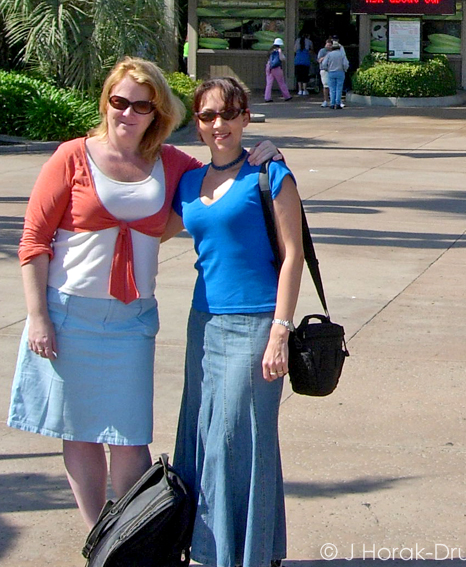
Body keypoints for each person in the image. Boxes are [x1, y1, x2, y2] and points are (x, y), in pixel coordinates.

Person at [7, 57, 279, 532]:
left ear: (157, 113)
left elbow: (223, 175)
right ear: (105, 102)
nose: (128, 113)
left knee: (130, 437)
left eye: (141, 105)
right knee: (81, 434)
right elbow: (33, 241)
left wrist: (267, 154)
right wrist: (38, 317)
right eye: (120, 102)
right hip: (69, 314)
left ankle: (131, 539)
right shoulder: (72, 157)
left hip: (132, 320)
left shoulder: (170, 164)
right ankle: (100, 543)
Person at [166, 76, 304, 567]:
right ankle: (218, 549)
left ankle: (243, 555)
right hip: (203, 325)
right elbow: (150, 227)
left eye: (228, 114)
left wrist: (279, 332)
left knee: (237, 439)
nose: (218, 124)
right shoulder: (188, 181)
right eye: (207, 116)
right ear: (197, 125)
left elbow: (293, 257)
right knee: (203, 438)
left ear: (246, 117)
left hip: (255, 325)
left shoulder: (270, 175)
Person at [320, 41, 349, 109]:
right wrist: (345, 69)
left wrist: (327, 69)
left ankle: (332, 104)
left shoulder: (329, 54)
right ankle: (338, 103)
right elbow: (346, 64)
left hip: (331, 72)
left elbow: (324, 64)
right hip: (340, 72)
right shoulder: (342, 55)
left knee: (332, 89)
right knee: (339, 88)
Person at [264, 38, 292, 103]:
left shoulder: (270, 51)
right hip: (276, 68)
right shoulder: (278, 50)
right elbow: (282, 58)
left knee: (269, 83)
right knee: (281, 82)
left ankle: (267, 97)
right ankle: (287, 96)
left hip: (269, 67)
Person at [317, 37, 333, 107]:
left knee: (333, 86)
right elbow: (319, 60)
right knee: (326, 86)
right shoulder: (322, 51)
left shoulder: (334, 51)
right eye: (327, 45)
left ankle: (334, 100)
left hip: (332, 70)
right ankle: (326, 100)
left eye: (330, 45)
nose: (329, 47)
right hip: (324, 70)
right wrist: (326, 56)